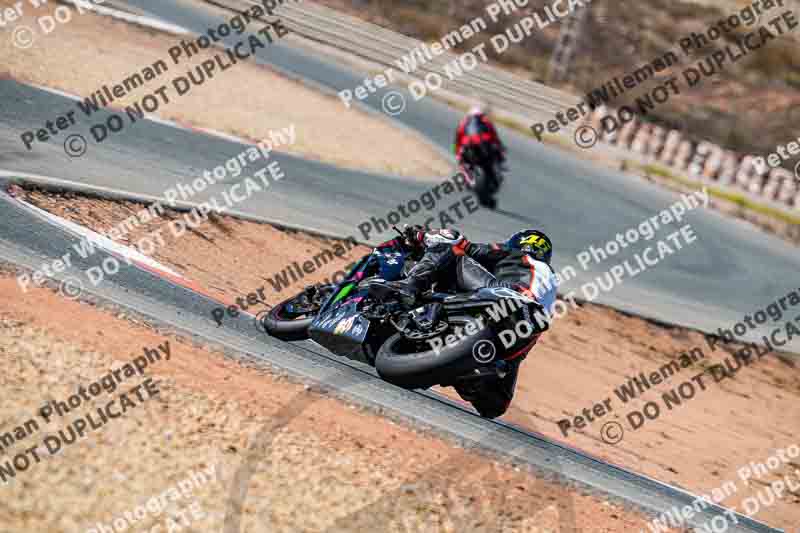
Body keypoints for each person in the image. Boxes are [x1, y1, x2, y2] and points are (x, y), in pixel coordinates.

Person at [384, 225, 557, 417]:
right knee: (495, 406)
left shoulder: (514, 253)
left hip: (504, 296)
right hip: (523, 330)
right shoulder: (551, 284)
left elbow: (464, 245)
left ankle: (409, 286)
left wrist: (419, 235)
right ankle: (472, 377)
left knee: (450, 249)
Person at [454, 102, 507, 172]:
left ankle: (467, 171)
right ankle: (499, 164)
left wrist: (457, 153)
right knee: (495, 148)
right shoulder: (486, 121)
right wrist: (500, 146)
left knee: (462, 159)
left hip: (469, 145)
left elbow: (458, 139)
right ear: (481, 115)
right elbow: (494, 135)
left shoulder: (463, 123)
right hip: (482, 145)